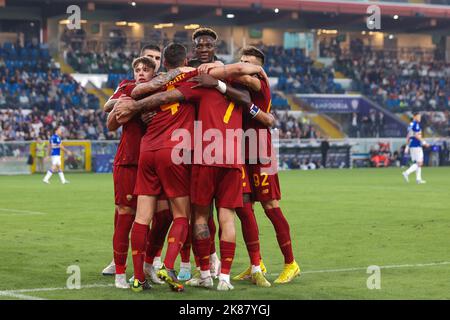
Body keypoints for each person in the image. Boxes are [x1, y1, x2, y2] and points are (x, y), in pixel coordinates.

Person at [115, 55, 265, 291]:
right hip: (189, 154)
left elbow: (126, 107)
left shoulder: (152, 85)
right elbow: (250, 91)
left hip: (151, 151)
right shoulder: (199, 81)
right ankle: (195, 269)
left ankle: (140, 275)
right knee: (191, 216)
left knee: (144, 217)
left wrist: (136, 104)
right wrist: (256, 70)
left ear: (163, 64)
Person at [231, 46, 300, 284]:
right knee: (243, 206)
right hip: (240, 150)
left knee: (270, 205)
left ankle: (291, 263)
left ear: (259, 69)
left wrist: (217, 73)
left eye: (248, 63)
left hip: (261, 150)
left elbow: (239, 75)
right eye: (241, 61)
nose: (243, 65)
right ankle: (256, 264)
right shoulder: (240, 87)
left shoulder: (259, 83)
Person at [104, 56, 155, 289]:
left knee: (149, 220)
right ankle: (120, 274)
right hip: (128, 161)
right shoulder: (126, 89)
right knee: (125, 215)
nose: (141, 73)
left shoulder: (161, 90)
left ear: (154, 73)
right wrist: (131, 109)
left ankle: (146, 268)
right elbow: (111, 124)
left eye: (146, 70)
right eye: (138, 69)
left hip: (152, 163)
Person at [402, 112, 429, 184]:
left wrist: (407, 146)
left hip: (412, 145)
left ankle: (418, 179)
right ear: (414, 117)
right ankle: (406, 173)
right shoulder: (416, 124)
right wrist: (424, 142)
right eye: (418, 117)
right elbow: (417, 136)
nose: (419, 118)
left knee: (418, 162)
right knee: (420, 163)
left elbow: (408, 136)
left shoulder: (410, 124)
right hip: (416, 145)